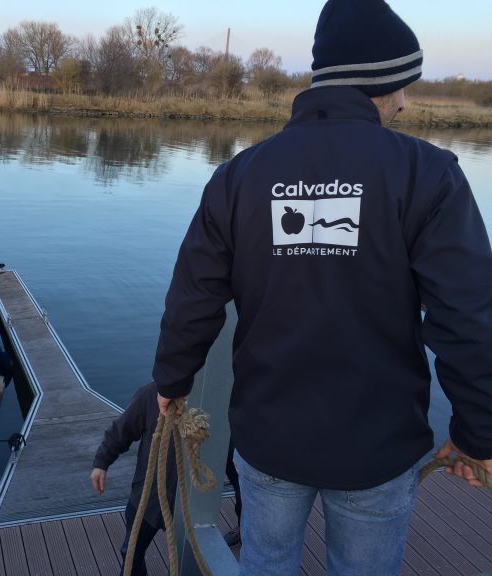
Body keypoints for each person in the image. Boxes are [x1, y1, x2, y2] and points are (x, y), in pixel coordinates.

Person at [152, 1, 492, 575]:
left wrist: (171, 380)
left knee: (267, 563)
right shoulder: (429, 173)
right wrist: (478, 430)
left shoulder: (239, 175)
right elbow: (471, 317)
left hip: (269, 441)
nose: (405, 101)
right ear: (377, 82)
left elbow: (194, 296)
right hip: (377, 449)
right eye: (401, 85)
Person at [91, 382, 242, 576]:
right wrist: (101, 463)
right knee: (131, 551)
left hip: (191, 504)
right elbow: (122, 430)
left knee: (192, 554)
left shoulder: (217, 404)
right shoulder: (150, 396)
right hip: (148, 497)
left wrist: (245, 517)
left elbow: (232, 461)